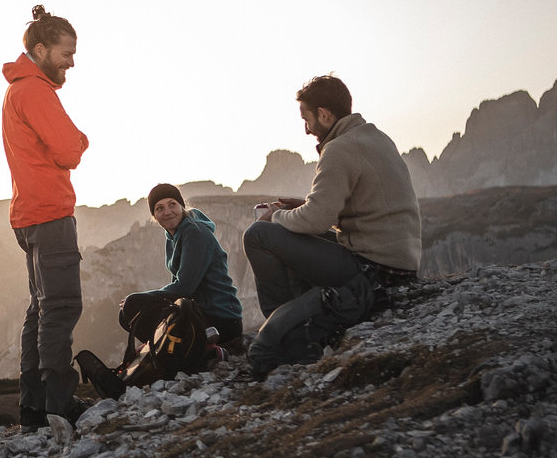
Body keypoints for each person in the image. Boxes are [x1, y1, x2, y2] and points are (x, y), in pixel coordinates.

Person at [243, 74, 422, 318]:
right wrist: (305, 207)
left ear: (324, 115)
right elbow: (367, 210)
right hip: (400, 266)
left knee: (258, 235)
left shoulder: (339, 149)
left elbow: (315, 221)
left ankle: (282, 324)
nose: (306, 129)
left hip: (375, 271)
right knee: (294, 229)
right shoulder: (377, 138)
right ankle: (307, 313)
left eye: (307, 119)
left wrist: (277, 216)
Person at [2, 4, 89, 428]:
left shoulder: (19, 89)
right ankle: (58, 404)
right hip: (50, 211)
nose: (72, 61)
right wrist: (81, 139)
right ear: (40, 49)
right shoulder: (35, 91)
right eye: (66, 53)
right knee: (61, 306)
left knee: (40, 308)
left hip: (27, 213)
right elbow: (69, 150)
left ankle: (33, 407)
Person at [119, 183, 245, 353]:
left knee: (132, 305)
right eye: (159, 208)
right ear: (154, 216)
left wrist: (141, 299)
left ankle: (197, 353)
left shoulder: (195, 233)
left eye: (172, 204)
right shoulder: (174, 235)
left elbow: (185, 287)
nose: (167, 211)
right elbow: (178, 284)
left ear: (182, 206)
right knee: (126, 316)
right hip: (198, 313)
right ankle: (170, 351)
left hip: (221, 319)